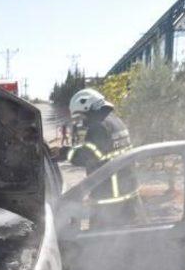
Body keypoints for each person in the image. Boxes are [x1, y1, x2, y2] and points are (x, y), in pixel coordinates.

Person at [58, 88, 139, 228]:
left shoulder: (98, 127)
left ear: (87, 107)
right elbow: (101, 150)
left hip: (110, 199)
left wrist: (66, 153)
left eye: (81, 115)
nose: (82, 120)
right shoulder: (115, 121)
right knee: (126, 241)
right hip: (128, 194)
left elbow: (87, 156)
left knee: (100, 242)